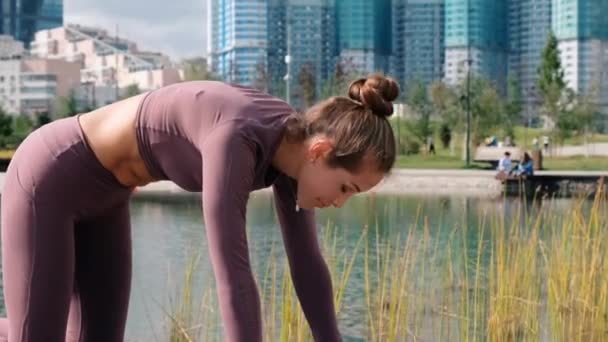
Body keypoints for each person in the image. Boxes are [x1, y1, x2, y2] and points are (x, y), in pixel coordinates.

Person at [0, 74, 400, 342]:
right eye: (346, 187)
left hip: (109, 197)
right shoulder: (237, 139)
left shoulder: (294, 158)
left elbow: (307, 266)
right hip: (50, 176)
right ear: (321, 150)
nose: (340, 202)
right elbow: (234, 275)